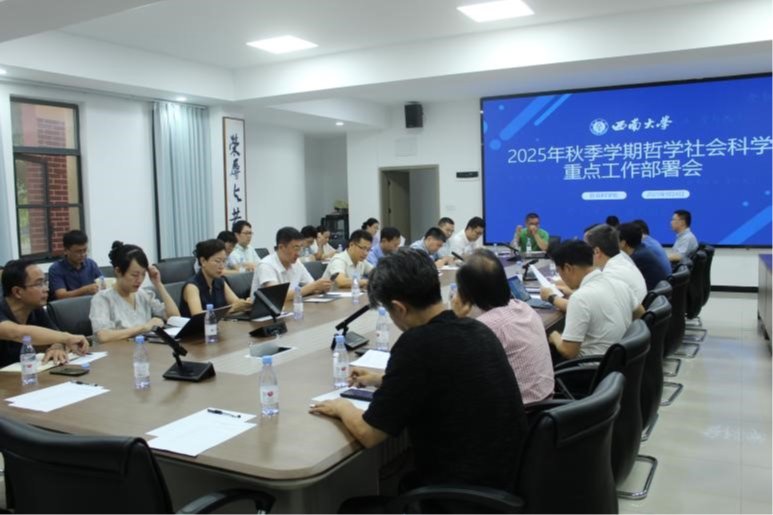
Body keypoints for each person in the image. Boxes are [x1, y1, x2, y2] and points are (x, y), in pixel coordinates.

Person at [310, 249, 527, 498]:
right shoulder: (477, 329)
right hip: (506, 477)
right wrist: (380, 380)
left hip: (462, 493)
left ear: (398, 308)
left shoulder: (416, 344)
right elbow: (442, 380)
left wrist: (342, 407)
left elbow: (369, 434)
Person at [452, 249, 554, 406]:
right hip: (548, 403)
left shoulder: (484, 327)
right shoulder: (523, 306)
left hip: (519, 413)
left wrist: (456, 319)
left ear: (467, 293)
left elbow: (455, 366)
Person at [540, 241, 638, 361]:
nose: (560, 276)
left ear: (568, 268)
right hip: (620, 362)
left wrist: (554, 336)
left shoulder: (580, 298)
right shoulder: (620, 283)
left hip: (592, 367)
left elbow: (568, 352)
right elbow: (640, 314)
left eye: (559, 271)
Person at [0, 259, 89, 367]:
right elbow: (16, 333)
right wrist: (67, 337)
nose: (46, 289)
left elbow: (54, 335)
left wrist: (56, 348)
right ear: (17, 292)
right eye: (39, 284)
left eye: (45, 282)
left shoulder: (35, 308)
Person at [89, 242, 180, 343]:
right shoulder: (102, 299)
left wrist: (158, 284)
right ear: (118, 271)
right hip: (118, 351)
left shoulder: (143, 295)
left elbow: (174, 317)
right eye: (134, 275)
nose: (140, 280)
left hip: (144, 349)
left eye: (143, 274)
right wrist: (144, 327)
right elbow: (103, 336)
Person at [253, 227, 332, 301]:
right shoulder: (266, 265)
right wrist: (314, 286)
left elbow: (311, 286)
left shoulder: (296, 263)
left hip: (290, 307)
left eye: (300, 248)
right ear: (281, 247)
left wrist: (321, 287)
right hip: (267, 311)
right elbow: (277, 296)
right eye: (296, 248)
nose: (299, 253)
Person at [180, 239, 253, 317]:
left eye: (224, 261)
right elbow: (198, 316)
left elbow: (236, 303)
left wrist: (246, 304)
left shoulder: (219, 281)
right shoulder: (192, 287)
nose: (222, 266)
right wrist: (231, 309)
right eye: (217, 261)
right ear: (203, 261)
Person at [585, 224, 647, 306]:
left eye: (587, 249)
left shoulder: (611, 274)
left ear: (597, 251)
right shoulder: (623, 259)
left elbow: (590, 305)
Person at [48, 229, 103, 300]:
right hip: (68, 306)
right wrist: (85, 290)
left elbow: (103, 284)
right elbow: (61, 296)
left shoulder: (91, 264)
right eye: (78, 251)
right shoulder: (56, 269)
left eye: (85, 250)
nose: (83, 254)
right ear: (66, 251)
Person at [618, 222, 671, 290]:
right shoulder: (643, 250)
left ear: (623, 243)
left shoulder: (637, 258)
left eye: (616, 240)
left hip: (649, 294)